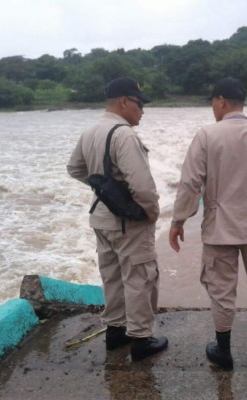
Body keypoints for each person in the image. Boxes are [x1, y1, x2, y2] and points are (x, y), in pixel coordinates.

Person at [168, 77, 247, 371]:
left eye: (213, 102)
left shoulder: (207, 136)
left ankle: (223, 352)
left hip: (219, 228)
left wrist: (178, 220)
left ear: (222, 101)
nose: (213, 107)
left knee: (221, 290)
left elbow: (190, 183)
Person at [67, 77, 168, 362]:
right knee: (139, 277)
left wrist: (103, 188)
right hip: (129, 220)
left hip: (101, 217)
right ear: (124, 101)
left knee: (111, 277)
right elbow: (144, 187)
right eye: (139, 104)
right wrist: (152, 214)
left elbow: (74, 168)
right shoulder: (123, 134)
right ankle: (140, 340)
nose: (142, 111)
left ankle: (115, 333)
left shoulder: (91, 131)